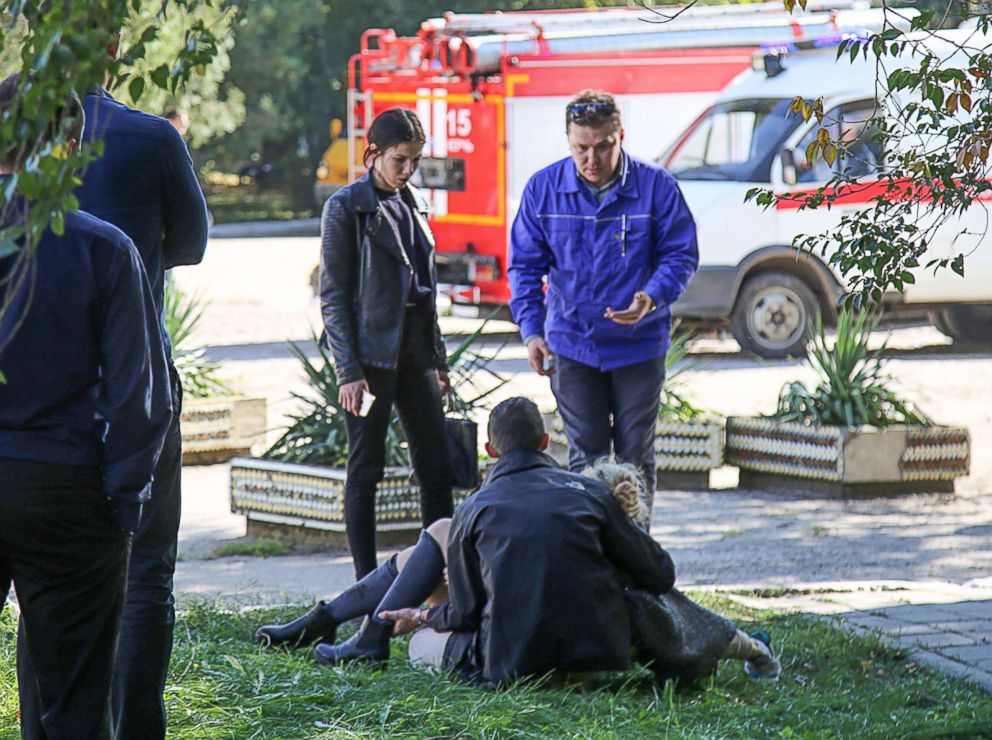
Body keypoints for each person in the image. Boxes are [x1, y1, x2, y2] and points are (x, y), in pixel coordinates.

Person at [20, 47, 210, 739]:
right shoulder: (151, 138)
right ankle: (136, 727)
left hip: (36, 412)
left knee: (44, 589)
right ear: (110, 50)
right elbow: (190, 246)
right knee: (146, 573)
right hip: (131, 384)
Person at [0, 73, 172, 738]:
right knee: (74, 702)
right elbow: (140, 392)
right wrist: (124, 499)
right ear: (73, 151)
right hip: (67, 488)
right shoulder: (103, 247)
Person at [305, 397, 675, 686]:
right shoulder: (591, 492)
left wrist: (421, 616)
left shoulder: (474, 508)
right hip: (597, 659)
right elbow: (661, 573)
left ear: (491, 450)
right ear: (545, 443)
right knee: (426, 553)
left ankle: (360, 634)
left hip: (515, 666)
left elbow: (465, 613)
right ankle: (347, 629)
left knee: (420, 646)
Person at [508, 89, 699, 504]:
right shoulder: (543, 190)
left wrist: (650, 296)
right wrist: (531, 332)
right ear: (568, 141)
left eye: (603, 147)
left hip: (639, 346)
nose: (591, 159)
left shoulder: (657, 188)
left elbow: (680, 254)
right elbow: (524, 267)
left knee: (635, 458)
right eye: (582, 148)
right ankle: (591, 558)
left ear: (621, 136)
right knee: (586, 461)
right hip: (572, 345)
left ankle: (636, 556)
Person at [319, 108, 454, 580]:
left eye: (415, 160)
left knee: (435, 464)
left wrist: (439, 361)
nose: (408, 169)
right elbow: (333, 296)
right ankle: (364, 583)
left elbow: (427, 290)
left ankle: (437, 574)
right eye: (400, 160)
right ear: (372, 153)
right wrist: (348, 371)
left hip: (416, 350)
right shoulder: (346, 206)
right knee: (367, 466)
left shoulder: (414, 201)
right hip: (371, 359)